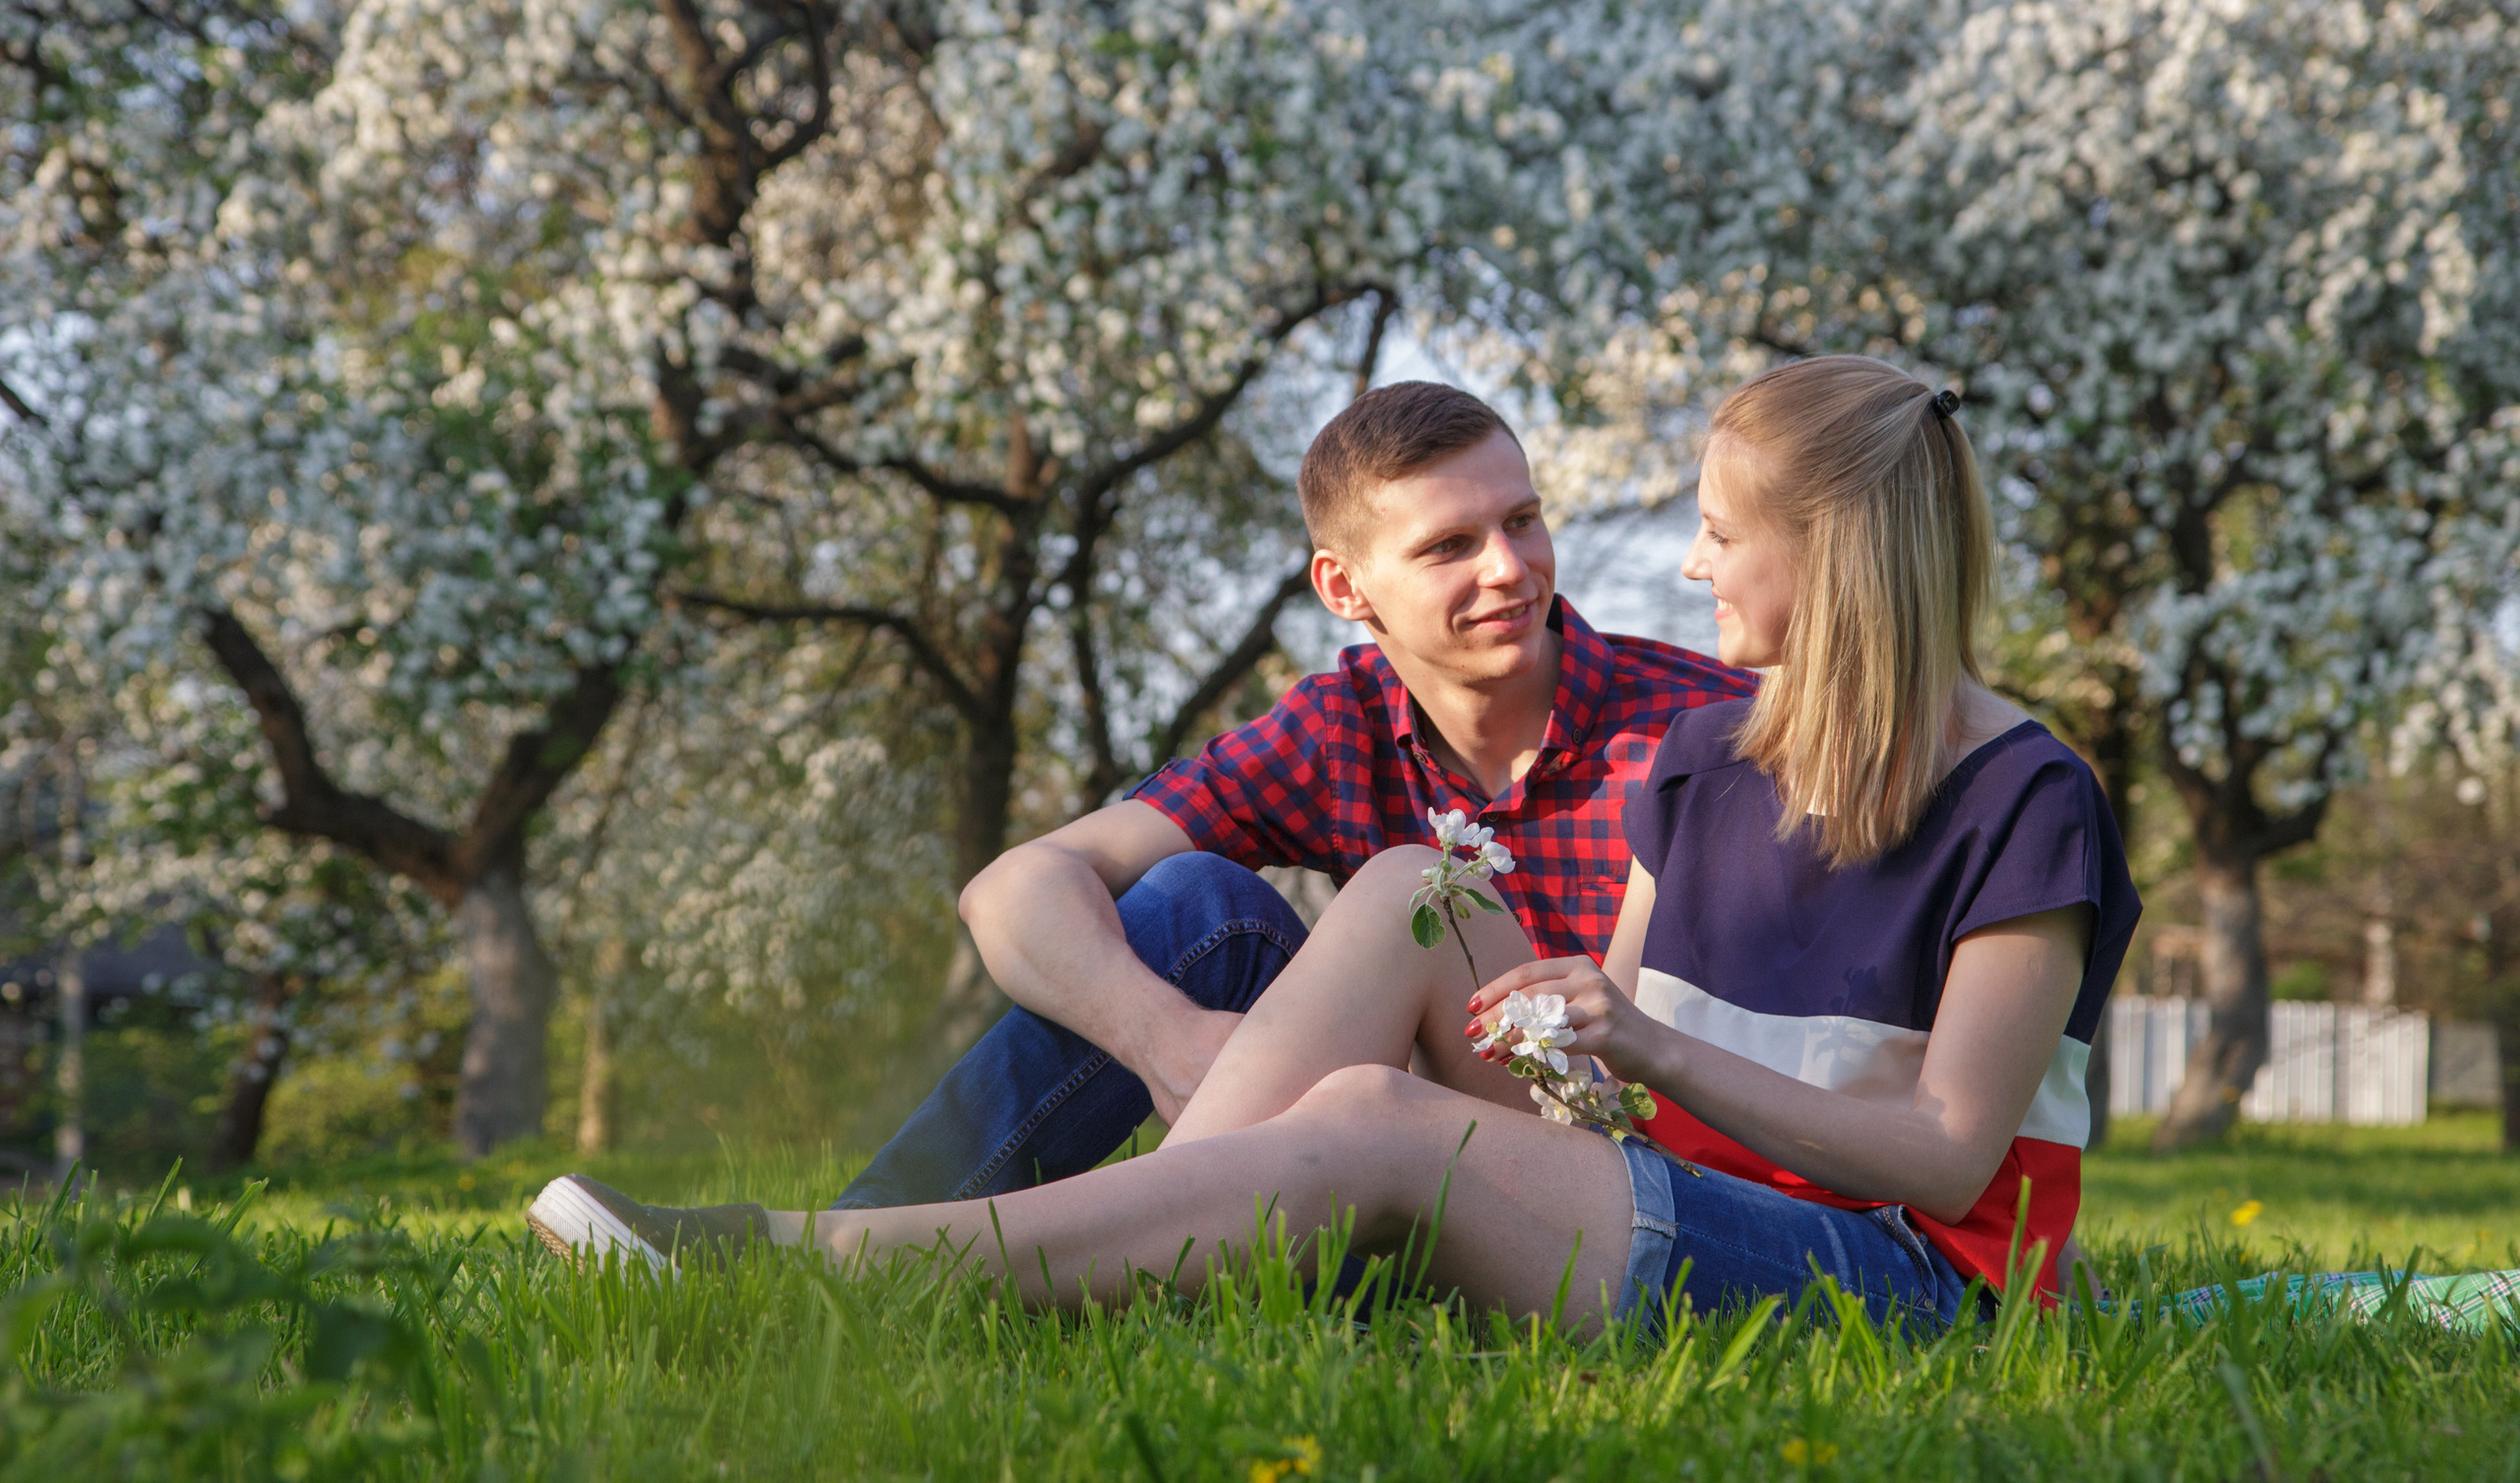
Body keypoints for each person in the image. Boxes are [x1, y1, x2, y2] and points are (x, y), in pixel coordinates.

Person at [529, 355, 2141, 1330]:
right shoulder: (1710, 759)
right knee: (1410, 892)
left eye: (1720, 535)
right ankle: (1105, 1261)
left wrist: (1641, 1039)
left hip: (1898, 1279)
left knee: (1379, 1122)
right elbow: (1624, 1103)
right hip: (1672, 1193)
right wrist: (1596, 1046)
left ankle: (808, 1268)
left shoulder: (2025, 796)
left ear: (1833, 554)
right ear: (1349, 586)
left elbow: (1948, 1157)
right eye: (1458, 540)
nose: (1688, 566)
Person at [827, 380, 1755, 1210]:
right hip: (1396, 1133)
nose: (1509, 567)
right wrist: (1166, 1040)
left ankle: (1095, 1242)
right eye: (1450, 546)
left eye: (1522, 520)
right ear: (1345, 586)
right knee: (1201, 903)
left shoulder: (1709, 726)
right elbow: (1012, 889)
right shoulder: (1339, 725)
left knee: (1408, 895)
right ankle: (879, 1229)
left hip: (1634, 1169)